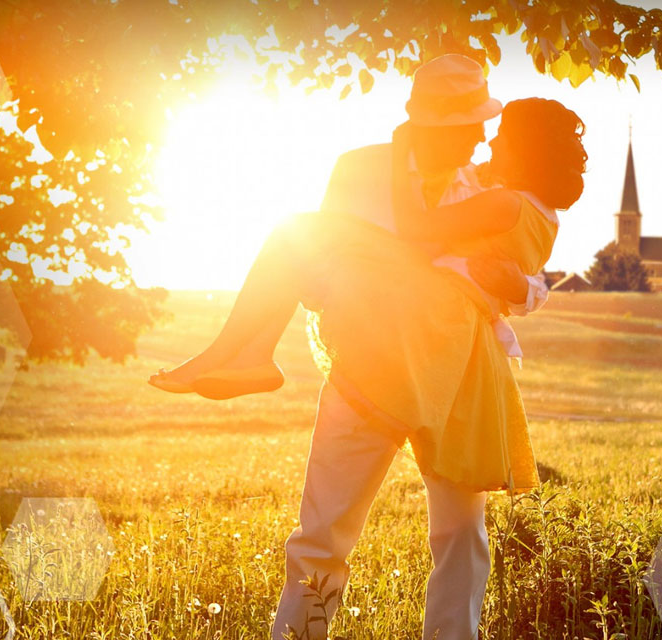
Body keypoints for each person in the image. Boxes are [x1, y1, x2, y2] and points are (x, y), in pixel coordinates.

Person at [149, 55, 587, 640]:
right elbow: (323, 259)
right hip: (371, 363)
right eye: (472, 125)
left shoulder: (487, 184)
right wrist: (340, 296)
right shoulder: (358, 171)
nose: (482, 137)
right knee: (323, 534)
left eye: (488, 126)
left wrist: (522, 287)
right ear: (434, 125)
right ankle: (301, 633)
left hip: (460, 374)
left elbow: (526, 265)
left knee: (461, 535)